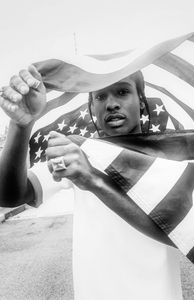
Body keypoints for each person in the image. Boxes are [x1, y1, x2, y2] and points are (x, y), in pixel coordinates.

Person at [0, 65, 183, 300]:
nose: (111, 103)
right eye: (99, 96)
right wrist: (21, 125)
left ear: (141, 99)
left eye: (122, 91)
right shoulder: (78, 153)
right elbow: (9, 195)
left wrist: (92, 179)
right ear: (91, 107)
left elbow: (177, 232)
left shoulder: (171, 155)